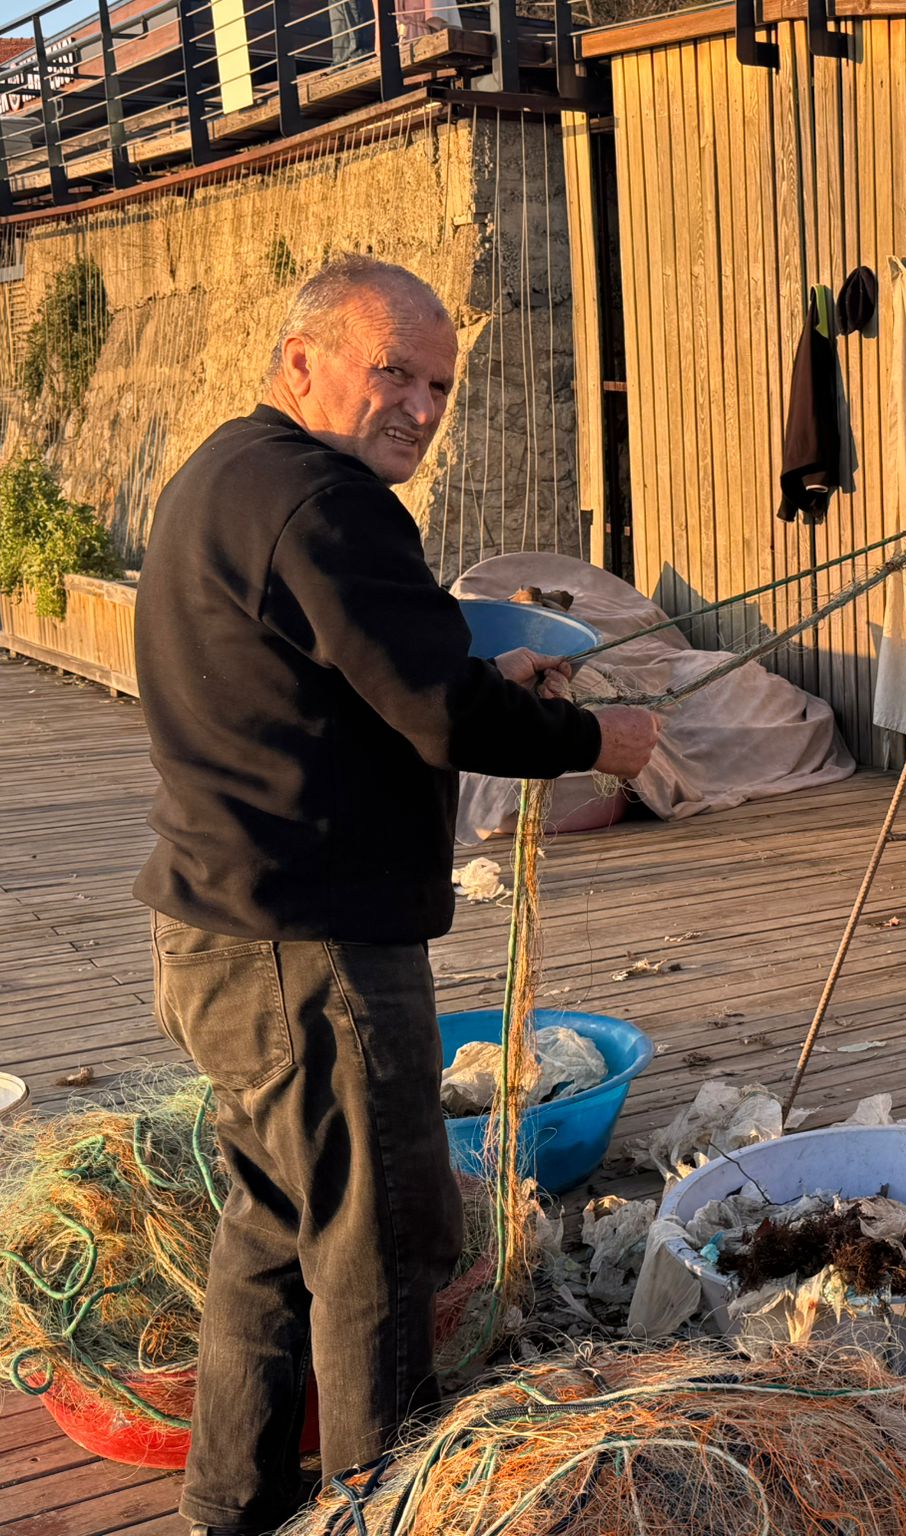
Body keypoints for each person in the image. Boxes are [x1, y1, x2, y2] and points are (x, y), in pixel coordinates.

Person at [132, 255, 659, 1535]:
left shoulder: (226, 473)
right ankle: (381, 1509)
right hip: (305, 947)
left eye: (439, 384)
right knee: (376, 1250)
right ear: (302, 358)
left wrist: (501, 671)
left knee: (272, 1232)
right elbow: (429, 698)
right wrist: (597, 741)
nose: (420, 406)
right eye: (394, 372)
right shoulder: (329, 502)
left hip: (219, 928)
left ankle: (236, 1507)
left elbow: (370, 666)